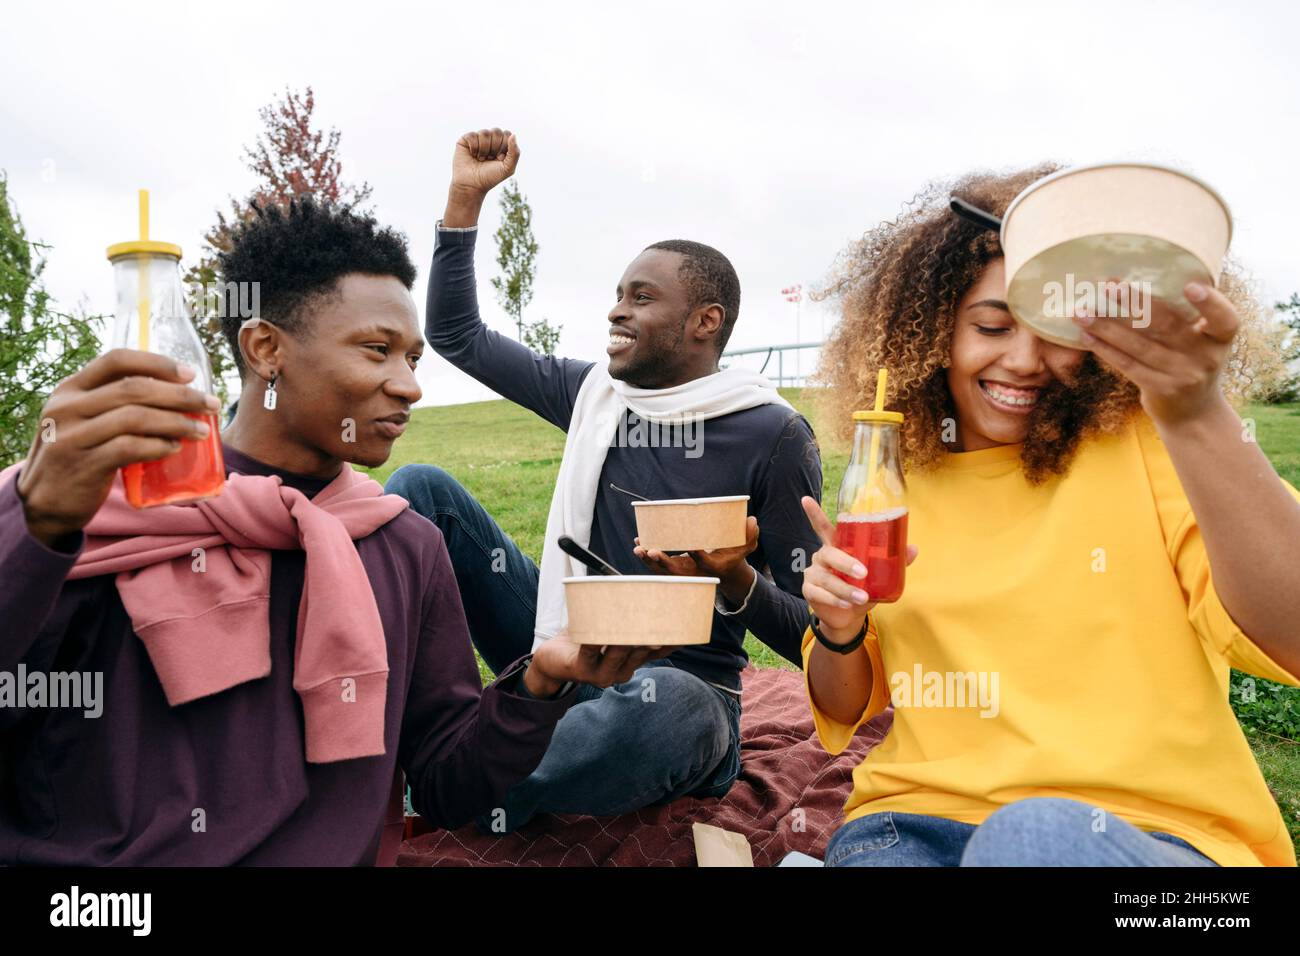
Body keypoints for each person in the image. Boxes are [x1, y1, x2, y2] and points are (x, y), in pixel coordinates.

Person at [0, 198, 661, 865]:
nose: (409, 387)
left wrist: (536, 687)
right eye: (378, 351)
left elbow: (443, 784)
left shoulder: (406, 547)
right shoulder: (80, 511)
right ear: (266, 349)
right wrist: (38, 524)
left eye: (412, 358)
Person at [800, 164, 1300, 867]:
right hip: (912, 828)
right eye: (993, 326)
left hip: (1148, 836)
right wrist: (840, 629)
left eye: (1053, 330)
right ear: (932, 333)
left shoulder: (1152, 445)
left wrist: (1197, 413)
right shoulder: (891, 484)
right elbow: (845, 704)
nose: (1025, 361)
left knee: (1030, 839)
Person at [386, 128, 823, 832]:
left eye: (641, 297)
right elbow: (457, 334)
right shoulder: (593, 395)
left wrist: (736, 580)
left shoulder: (772, 434)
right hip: (564, 651)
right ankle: (367, 717)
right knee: (422, 488)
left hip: (685, 685)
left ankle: (451, 783)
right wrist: (466, 199)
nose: (616, 310)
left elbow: (815, 635)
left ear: (704, 322)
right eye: (618, 294)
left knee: (672, 710)